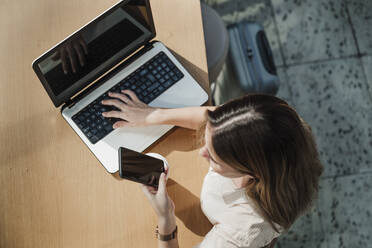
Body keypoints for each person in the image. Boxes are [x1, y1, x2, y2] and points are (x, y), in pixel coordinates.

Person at [101, 90, 324, 248]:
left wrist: (166, 220)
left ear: (251, 173)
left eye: (215, 158)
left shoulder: (242, 231)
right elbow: (212, 116)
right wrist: (155, 115)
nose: (201, 152)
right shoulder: (274, 128)